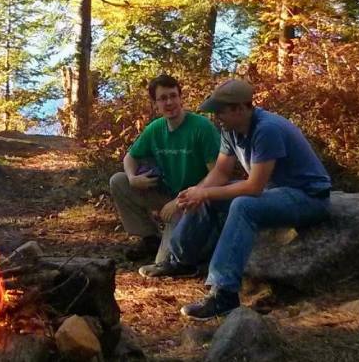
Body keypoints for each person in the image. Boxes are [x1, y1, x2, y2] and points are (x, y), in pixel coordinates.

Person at [139, 78, 332, 321]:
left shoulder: (267, 129)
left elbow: (254, 187)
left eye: (221, 111)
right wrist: (196, 192)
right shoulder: (231, 130)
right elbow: (220, 173)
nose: (217, 117)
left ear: (240, 109)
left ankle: (224, 293)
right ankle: (181, 261)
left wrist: (205, 192)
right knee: (206, 196)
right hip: (276, 193)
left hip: (308, 197)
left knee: (243, 205)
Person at [109, 74, 221, 263]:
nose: (169, 102)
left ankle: (200, 246)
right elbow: (130, 157)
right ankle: (150, 238)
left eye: (173, 96)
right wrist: (132, 177)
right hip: (168, 194)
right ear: (155, 104)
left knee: (165, 262)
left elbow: (217, 174)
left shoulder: (202, 127)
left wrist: (180, 201)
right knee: (119, 181)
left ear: (180, 97)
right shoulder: (156, 128)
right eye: (162, 98)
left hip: (196, 201)